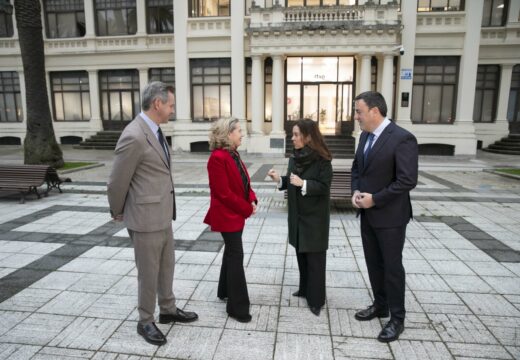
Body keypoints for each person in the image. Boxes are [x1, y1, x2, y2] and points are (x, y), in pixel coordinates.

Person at [107, 81, 198, 346]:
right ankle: (145, 321)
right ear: (157, 104)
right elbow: (116, 181)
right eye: (170, 105)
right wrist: (117, 210)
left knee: (166, 266)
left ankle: (168, 310)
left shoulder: (155, 131)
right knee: (148, 273)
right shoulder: (133, 135)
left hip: (162, 214)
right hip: (145, 219)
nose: (172, 110)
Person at [351, 91, 418, 343]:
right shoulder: (365, 136)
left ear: (374, 112)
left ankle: (397, 319)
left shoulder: (402, 139)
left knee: (391, 267)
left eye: (359, 111)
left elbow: (407, 180)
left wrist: (375, 199)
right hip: (367, 215)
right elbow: (357, 168)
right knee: (373, 263)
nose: (356, 116)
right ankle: (381, 306)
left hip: (390, 217)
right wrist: (356, 191)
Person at [267, 119, 332, 316]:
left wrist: (304, 183)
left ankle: (316, 300)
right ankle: (305, 289)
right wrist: (280, 180)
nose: (292, 138)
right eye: (292, 134)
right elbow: (291, 181)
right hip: (297, 217)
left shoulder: (323, 159)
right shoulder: (294, 159)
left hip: (315, 219)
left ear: (308, 136)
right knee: (302, 256)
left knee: (315, 261)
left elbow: (323, 186)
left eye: (296, 135)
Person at [204, 117, 258, 323]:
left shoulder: (233, 154)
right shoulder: (217, 158)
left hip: (236, 213)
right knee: (236, 256)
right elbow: (223, 193)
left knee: (231, 252)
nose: (241, 134)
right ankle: (237, 308)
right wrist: (246, 208)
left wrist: (251, 198)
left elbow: (244, 181)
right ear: (228, 134)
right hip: (227, 215)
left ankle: (224, 291)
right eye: (238, 130)